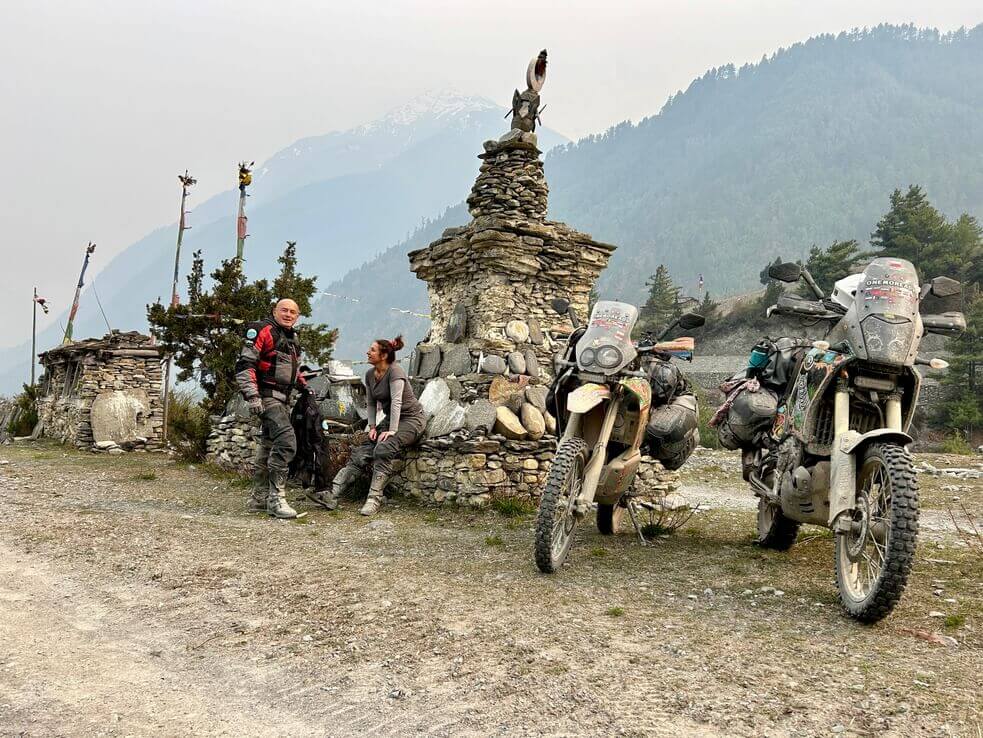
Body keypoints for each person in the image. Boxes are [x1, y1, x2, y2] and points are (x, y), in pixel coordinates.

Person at [309, 336, 425, 515]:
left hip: (411, 420)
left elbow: (396, 403)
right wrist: (372, 427)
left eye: (372, 350)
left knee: (384, 447)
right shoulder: (370, 375)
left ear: (384, 355)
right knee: (362, 450)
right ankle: (332, 494)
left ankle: (374, 498)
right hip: (389, 420)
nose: (367, 352)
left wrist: (392, 431)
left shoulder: (395, 372)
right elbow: (371, 403)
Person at [235, 298, 307, 519]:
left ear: (298, 316)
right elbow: (245, 364)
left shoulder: (292, 337)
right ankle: (277, 500)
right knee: (286, 442)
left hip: (283, 399)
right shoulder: (261, 330)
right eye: (284, 310)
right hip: (267, 397)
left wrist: (303, 384)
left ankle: (259, 497)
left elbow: (288, 368)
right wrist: (253, 396)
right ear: (274, 310)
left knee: (268, 446)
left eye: (293, 312)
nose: (288, 314)